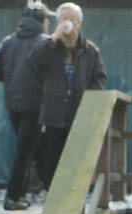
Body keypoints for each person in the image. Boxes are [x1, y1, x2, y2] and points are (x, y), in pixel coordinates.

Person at [28, 3, 108, 185]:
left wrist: (90, 102)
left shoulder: (90, 51)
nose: (67, 23)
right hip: (53, 116)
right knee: (52, 163)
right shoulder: (49, 47)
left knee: (77, 163)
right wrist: (53, 38)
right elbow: (33, 62)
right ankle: (53, 198)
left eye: (71, 19)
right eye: (63, 19)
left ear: (79, 23)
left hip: (79, 116)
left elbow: (100, 78)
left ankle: (75, 203)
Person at [0, 3, 53, 210]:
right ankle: (14, 196)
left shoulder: (8, 41)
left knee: (37, 149)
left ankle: (53, 190)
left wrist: (11, 80)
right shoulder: (45, 42)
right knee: (27, 150)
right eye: (47, 19)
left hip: (13, 103)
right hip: (37, 104)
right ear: (42, 21)